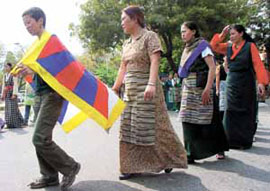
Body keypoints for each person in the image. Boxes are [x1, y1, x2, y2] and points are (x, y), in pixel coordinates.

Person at [112, 5, 187, 180]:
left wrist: (151, 84)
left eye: (124, 19)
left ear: (135, 19)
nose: (121, 23)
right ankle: (131, 166)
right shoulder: (127, 43)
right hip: (130, 91)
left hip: (147, 89)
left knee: (153, 128)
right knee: (130, 128)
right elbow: (122, 68)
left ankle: (170, 159)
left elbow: (155, 61)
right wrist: (115, 88)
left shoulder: (150, 36)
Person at [16, 7, 80, 190]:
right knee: (41, 137)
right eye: (24, 24)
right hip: (40, 94)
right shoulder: (36, 46)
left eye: (29, 22)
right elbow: (42, 70)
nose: (26, 26)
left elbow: (61, 67)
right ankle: (49, 176)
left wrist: (35, 69)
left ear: (40, 20)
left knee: (39, 138)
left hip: (53, 95)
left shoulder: (51, 41)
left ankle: (70, 167)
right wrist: (30, 71)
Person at [210, 24, 269, 149]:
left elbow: (258, 64)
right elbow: (214, 46)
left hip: (246, 81)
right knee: (230, 110)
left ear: (241, 34)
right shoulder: (228, 46)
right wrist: (221, 35)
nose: (231, 37)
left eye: (233, 34)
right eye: (230, 34)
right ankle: (230, 140)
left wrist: (261, 83)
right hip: (232, 82)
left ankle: (244, 141)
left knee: (245, 111)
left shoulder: (250, 46)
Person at [178, 21, 229, 164]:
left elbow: (212, 67)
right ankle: (189, 153)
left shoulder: (202, 46)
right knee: (186, 119)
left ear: (193, 31)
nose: (182, 34)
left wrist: (208, 89)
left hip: (202, 87)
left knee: (209, 121)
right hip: (188, 88)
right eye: (181, 32)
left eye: (185, 31)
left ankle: (219, 148)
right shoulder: (186, 48)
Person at [1, 63, 24, 129]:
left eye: (7, 66)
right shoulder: (5, 75)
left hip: (12, 93)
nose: (5, 68)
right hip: (6, 93)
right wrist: (3, 94)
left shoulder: (13, 74)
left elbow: (15, 84)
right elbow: (3, 86)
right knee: (7, 108)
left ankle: (16, 124)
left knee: (13, 109)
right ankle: (8, 124)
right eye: (5, 67)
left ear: (10, 67)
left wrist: (14, 94)